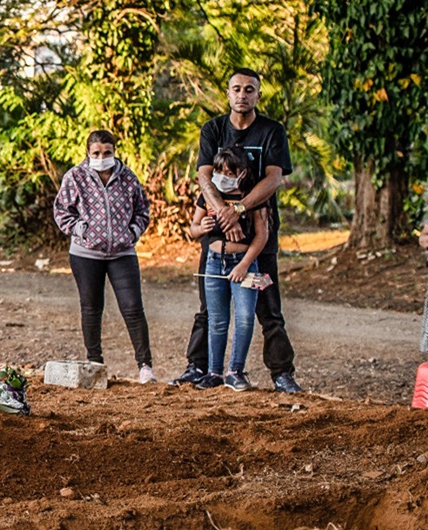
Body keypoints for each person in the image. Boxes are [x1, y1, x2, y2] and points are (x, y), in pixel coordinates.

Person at [169, 68, 303, 393]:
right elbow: (203, 176)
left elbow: (273, 178)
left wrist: (239, 210)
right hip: (216, 239)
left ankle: (281, 373)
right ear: (227, 93)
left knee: (269, 309)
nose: (242, 95)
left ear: (258, 94)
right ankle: (199, 367)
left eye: (249, 90)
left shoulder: (272, 131)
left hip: (258, 238)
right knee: (208, 309)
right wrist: (221, 212)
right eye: (236, 89)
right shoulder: (213, 130)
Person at [54, 130, 155, 384]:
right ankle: (94, 363)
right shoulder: (75, 177)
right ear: (88, 153)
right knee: (91, 308)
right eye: (96, 153)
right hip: (85, 254)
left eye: (107, 152)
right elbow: (61, 211)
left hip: (122, 253)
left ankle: (145, 367)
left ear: (114, 152)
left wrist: (132, 232)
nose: (102, 157)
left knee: (133, 308)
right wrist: (80, 230)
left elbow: (143, 210)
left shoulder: (128, 178)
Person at [188, 146, 269, 391]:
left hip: (243, 263)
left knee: (244, 318)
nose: (222, 175)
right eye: (219, 170)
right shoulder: (209, 197)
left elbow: (261, 236)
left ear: (242, 173)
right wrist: (202, 228)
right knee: (217, 320)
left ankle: (235, 370)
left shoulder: (252, 198)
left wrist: (244, 265)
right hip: (213, 261)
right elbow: (192, 229)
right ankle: (214, 371)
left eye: (229, 171)